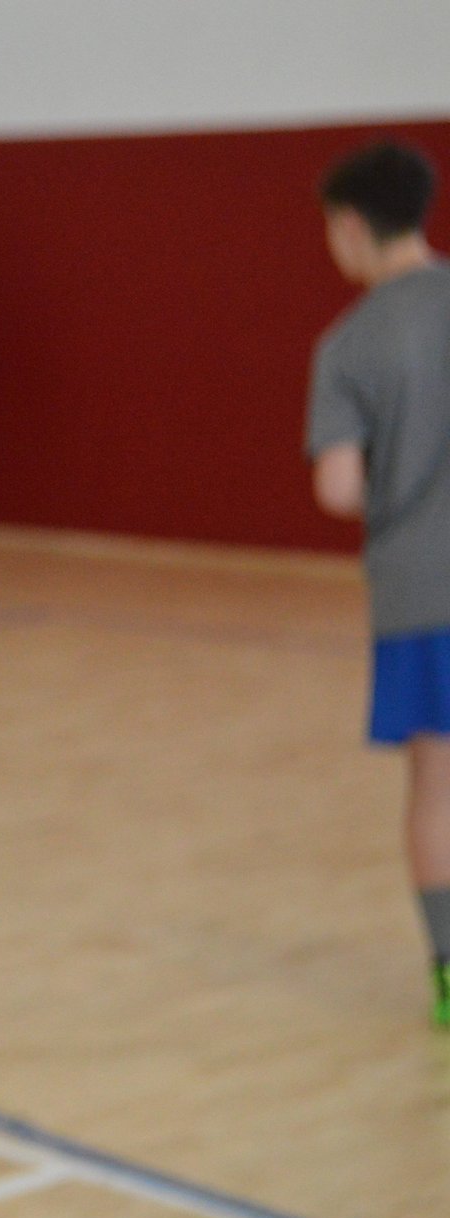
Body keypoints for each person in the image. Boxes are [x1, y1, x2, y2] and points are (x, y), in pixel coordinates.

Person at [306, 140, 450, 1029]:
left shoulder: (350, 341)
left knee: (438, 787)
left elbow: (338, 489)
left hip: (420, 595)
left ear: (352, 226)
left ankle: (449, 970)